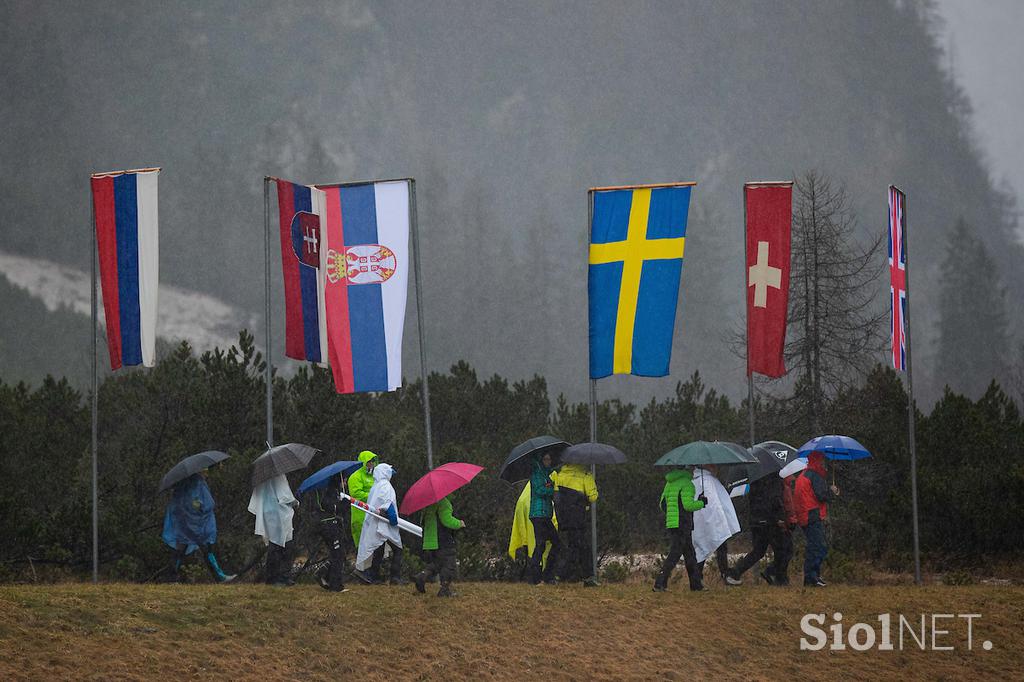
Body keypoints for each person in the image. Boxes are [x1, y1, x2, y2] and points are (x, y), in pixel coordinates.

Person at [161, 471, 235, 583]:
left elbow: (178, 505)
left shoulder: (183, 484)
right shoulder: (198, 483)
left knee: (180, 550)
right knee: (206, 549)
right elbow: (208, 504)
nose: (207, 473)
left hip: (184, 525)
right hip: (197, 526)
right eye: (205, 471)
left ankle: (170, 578)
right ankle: (219, 577)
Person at [726, 471, 792, 586]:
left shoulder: (754, 480)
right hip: (770, 521)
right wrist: (780, 517)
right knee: (783, 549)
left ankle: (735, 572)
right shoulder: (775, 480)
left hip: (756, 520)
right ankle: (778, 576)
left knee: (758, 551)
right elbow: (775, 501)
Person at [653, 468, 705, 591]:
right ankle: (660, 583)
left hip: (672, 523)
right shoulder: (687, 484)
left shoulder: (669, 483)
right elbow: (688, 505)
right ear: (688, 470)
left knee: (690, 554)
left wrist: (672, 515)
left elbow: (662, 504)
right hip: (683, 523)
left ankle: (696, 585)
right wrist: (701, 502)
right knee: (675, 554)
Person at [794, 451, 839, 587]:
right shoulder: (815, 475)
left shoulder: (804, 474)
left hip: (804, 515)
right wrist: (833, 491)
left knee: (815, 546)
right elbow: (821, 495)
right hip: (812, 514)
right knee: (818, 547)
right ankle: (812, 577)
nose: (824, 463)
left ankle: (813, 577)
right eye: (822, 460)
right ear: (818, 460)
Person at [691, 464, 741, 586]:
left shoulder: (696, 481)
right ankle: (723, 574)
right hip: (713, 521)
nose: (716, 467)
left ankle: (698, 577)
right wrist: (720, 521)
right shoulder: (707, 481)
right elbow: (715, 505)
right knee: (715, 546)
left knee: (703, 547)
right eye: (713, 465)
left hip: (700, 521)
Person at [355, 463, 404, 584]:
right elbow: (387, 503)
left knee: (378, 550)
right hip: (385, 523)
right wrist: (393, 519)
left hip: (376, 522)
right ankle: (395, 577)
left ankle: (373, 576)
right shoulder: (386, 486)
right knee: (397, 549)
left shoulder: (375, 486)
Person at [552, 462, 599, 586]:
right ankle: (559, 575)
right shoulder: (585, 475)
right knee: (577, 548)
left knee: (579, 547)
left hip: (564, 518)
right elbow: (593, 497)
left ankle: (587, 576)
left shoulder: (560, 475)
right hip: (578, 517)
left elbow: (556, 497)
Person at [248, 474, 299, 586]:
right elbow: (285, 496)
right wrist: (295, 501)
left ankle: (273, 577)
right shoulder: (279, 475)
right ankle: (280, 577)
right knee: (282, 546)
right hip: (279, 514)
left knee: (274, 545)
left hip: (267, 513)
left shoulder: (261, 477)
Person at [414, 495, 464, 597]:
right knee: (449, 564)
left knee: (437, 563)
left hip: (430, 540)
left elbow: (422, 521)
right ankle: (444, 589)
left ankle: (423, 575)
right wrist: (459, 523)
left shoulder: (428, 502)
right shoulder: (443, 502)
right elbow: (446, 520)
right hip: (442, 539)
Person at [507, 482, 558, 578]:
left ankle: (533, 575)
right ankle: (542, 575)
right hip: (541, 517)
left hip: (531, 523)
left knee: (534, 549)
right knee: (543, 546)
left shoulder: (525, 495)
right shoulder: (544, 484)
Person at [527, 451, 561, 585]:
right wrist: (553, 491)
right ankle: (535, 577)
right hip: (538, 514)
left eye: (549, 459)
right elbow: (539, 490)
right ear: (541, 460)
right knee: (541, 545)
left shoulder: (546, 475)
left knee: (556, 544)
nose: (549, 461)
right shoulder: (537, 474)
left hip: (545, 514)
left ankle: (547, 575)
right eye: (546, 459)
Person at [312, 472, 349, 592]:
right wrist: (343, 505)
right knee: (337, 554)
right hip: (328, 526)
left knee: (339, 553)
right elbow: (331, 507)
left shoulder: (335, 491)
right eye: (344, 480)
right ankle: (335, 585)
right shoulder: (329, 491)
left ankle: (326, 576)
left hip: (331, 525)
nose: (345, 482)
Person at [348, 450, 379, 550]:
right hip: (361, 516)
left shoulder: (375, 476)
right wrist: (373, 495)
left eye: (373, 461)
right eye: (369, 461)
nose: (372, 463)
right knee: (364, 548)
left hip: (375, 515)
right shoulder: (355, 477)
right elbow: (356, 494)